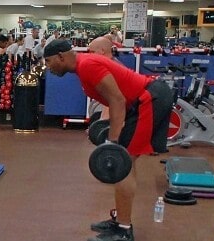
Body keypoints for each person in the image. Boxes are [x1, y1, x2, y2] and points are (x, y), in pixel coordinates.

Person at [43, 39, 174, 241]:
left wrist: (112, 143)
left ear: (61, 56)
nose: (48, 67)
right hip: (138, 103)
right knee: (125, 165)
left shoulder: (87, 65)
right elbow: (113, 100)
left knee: (123, 165)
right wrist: (105, 129)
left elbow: (117, 100)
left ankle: (123, 230)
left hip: (149, 100)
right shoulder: (82, 66)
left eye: (49, 61)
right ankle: (120, 221)